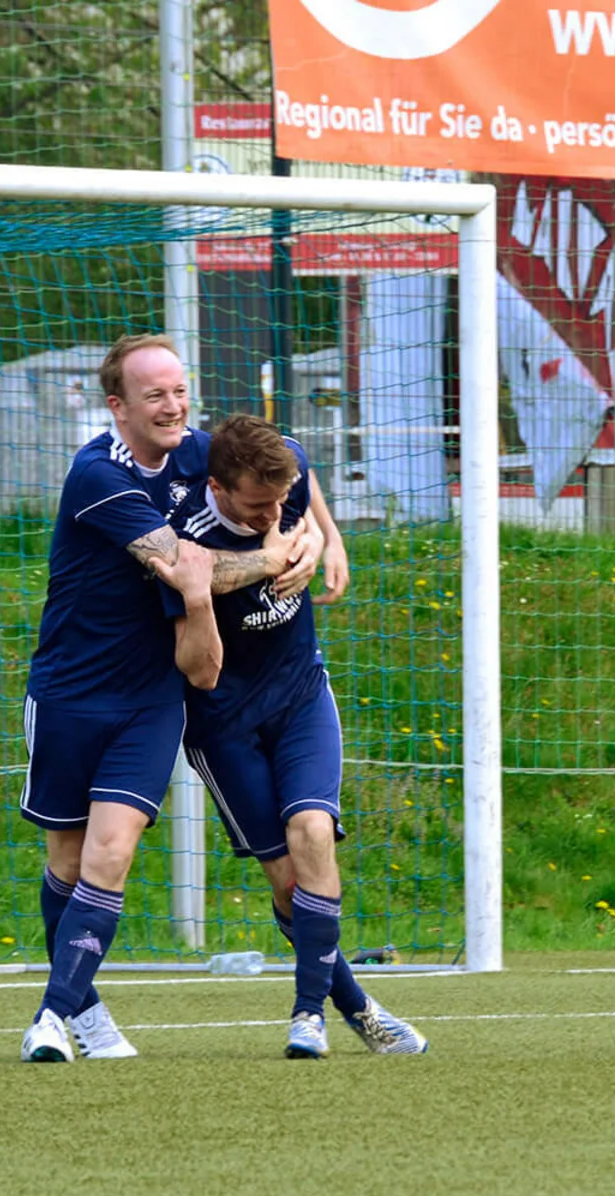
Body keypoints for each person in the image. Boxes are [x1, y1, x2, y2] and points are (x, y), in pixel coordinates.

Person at [19, 335, 324, 1064]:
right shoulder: (98, 474)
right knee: (66, 861)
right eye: (154, 394)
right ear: (117, 404)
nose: (173, 406)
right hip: (70, 690)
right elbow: (194, 569)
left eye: (180, 390)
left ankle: (51, 1019)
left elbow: (290, 462)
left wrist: (319, 537)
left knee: (112, 851)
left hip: (154, 697)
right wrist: (276, 556)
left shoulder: (199, 451)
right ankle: (85, 1013)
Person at [173, 413, 428, 1059]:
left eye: (281, 499)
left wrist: (326, 536)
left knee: (313, 831)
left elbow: (301, 474)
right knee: (287, 881)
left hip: (299, 695)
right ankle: (361, 1008)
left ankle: (306, 1014)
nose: (274, 511)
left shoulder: (285, 472)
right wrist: (271, 556)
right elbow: (198, 606)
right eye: (259, 504)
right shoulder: (183, 533)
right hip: (221, 720)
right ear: (219, 487)